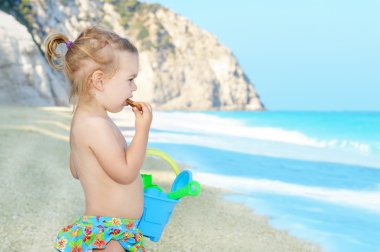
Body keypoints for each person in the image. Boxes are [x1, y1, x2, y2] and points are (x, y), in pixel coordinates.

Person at [44, 26, 152, 252]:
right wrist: (142, 130)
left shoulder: (84, 121)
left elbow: (76, 169)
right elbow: (125, 173)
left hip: (113, 231)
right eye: (130, 79)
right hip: (108, 233)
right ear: (99, 81)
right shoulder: (96, 126)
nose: (134, 87)